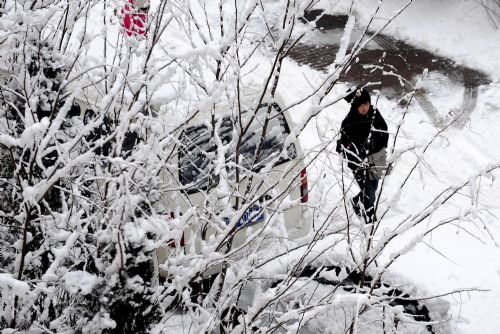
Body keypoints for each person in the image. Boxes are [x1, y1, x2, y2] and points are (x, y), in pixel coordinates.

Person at [336, 87, 389, 222]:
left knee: (374, 187)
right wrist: (354, 159)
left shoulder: (374, 113)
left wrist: (383, 145)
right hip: (359, 162)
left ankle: (356, 202)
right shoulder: (349, 121)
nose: (365, 108)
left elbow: (384, 128)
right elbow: (342, 144)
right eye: (361, 106)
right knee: (369, 192)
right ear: (355, 107)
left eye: (366, 104)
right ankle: (370, 220)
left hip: (376, 157)